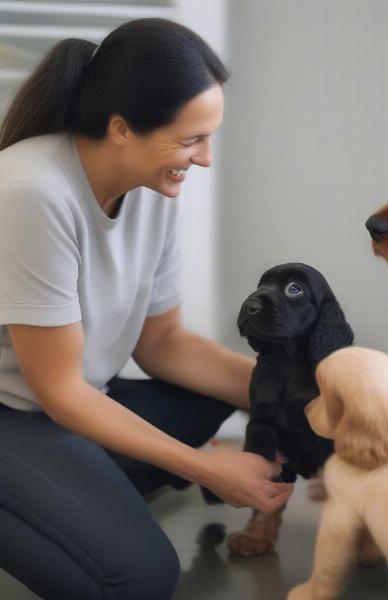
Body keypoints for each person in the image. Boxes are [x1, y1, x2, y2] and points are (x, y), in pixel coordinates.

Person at [0, 18, 293, 600]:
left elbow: (164, 344)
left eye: (209, 138)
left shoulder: (152, 186)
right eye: (191, 140)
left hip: (73, 405)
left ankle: (69, 498)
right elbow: (58, 393)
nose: (205, 158)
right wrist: (206, 468)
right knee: (140, 580)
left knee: (233, 390)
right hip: (18, 415)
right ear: (121, 128)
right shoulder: (33, 192)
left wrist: (305, 393)